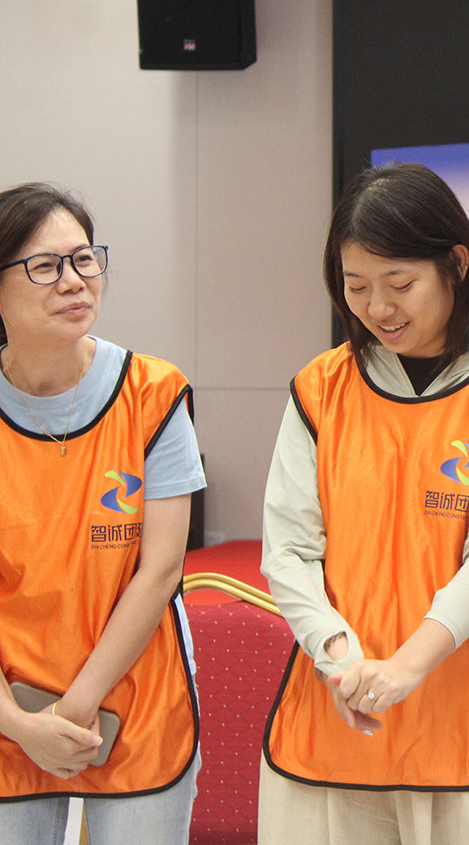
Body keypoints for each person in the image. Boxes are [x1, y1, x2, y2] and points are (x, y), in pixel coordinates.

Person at [259, 162, 469, 844]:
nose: (378, 309)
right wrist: (341, 659)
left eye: (400, 284)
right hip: (335, 708)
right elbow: (289, 550)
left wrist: (406, 668)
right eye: (356, 286)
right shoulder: (321, 388)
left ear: (456, 265)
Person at [0, 183, 204, 843]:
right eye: (44, 265)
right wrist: (18, 724)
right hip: (9, 709)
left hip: (136, 700)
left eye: (84, 259)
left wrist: (75, 707)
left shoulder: (153, 393)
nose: (74, 280)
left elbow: (160, 569)